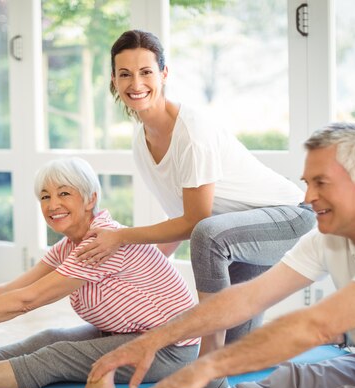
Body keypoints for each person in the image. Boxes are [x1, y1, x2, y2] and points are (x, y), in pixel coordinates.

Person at [84, 122, 355, 388]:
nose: (307, 197)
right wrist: (153, 340)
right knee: (286, 385)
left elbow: (317, 326)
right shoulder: (332, 235)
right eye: (307, 183)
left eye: (321, 183)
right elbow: (248, 298)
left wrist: (206, 367)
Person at [76, 29, 316, 355]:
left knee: (207, 239)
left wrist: (120, 237)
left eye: (146, 72)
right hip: (234, 232)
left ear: (163, 74)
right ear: (114, 81)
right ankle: (316, 339)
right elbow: (179, 219)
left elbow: (195, 223)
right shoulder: (141, 143)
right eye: (125, 74)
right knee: (236, 348)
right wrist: (131, 273)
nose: (136, 84)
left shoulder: (191, 132)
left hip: (286, 217)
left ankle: (207, 364)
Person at [0, 157, 204, 388]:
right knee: (49, 337)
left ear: (90, 199)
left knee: (56, 357)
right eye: (45, 196)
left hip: (168, 348)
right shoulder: (71, 244)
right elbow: (13, 288)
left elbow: (27, 301)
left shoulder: (100, 244)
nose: (52, 205)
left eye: (64, 193)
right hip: (130, 333)